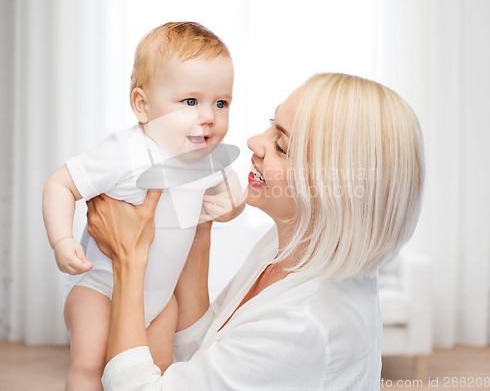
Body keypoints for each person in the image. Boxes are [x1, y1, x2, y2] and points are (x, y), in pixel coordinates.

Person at [86, 73, 425, 390]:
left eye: (282, 147)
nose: (253, 142)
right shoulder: (293, 245)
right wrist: (200, 228)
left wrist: (129, 258)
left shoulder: (305, 324)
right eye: (270, 126)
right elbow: (207, 349)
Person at [42, 21, 244, 391]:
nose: (209, 116)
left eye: (221, 103)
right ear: (143, 105)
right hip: (100, 288)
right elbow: (60, 183)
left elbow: (230, 200)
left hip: (160, 298)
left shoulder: (209, 158)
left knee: (157, 370)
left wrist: (232, 208)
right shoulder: (125, 152)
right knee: (90, 364)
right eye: (190, 102)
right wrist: (60, 240)